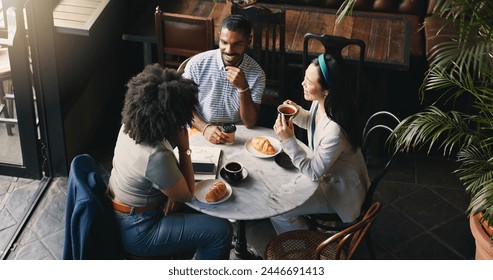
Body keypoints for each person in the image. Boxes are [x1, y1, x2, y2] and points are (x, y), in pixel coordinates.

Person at [108, 64, 233, 259]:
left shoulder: (130, 126)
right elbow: (186, 194)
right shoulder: (156, 156)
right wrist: (184, 149)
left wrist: (171, 194)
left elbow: (160, 179)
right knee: (221, 230)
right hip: (139, 229)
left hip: (121, 212)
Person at [270, 54, 370, 234]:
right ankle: (308, 235)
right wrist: (297, 112)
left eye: (308, 82)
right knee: (276, 186)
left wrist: (289, 141)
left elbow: (314, 173)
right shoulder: (325, 104)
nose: (302, 84)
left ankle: (307, 247)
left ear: (327, 91)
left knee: (277, 209)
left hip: (338, 191)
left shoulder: (335, 131)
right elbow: (312, 121)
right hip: (327, 174)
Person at [183, 14, 266, 144]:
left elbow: (250, 123)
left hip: (238, 134)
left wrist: (243, 88)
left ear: (249, 41)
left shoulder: (257, 74)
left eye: (237, 44)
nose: (229, 50)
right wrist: (205, 128)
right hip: (200, 128)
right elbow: (183, 107)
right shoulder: (197, 64)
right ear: (219, 35)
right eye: (224, 42)